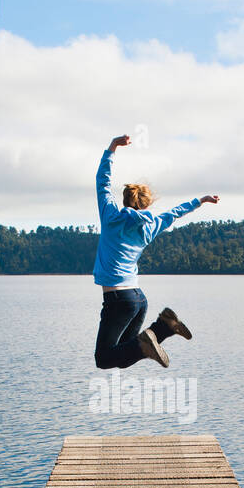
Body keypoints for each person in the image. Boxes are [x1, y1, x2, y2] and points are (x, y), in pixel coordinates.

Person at [92, 134, 219, 368]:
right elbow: (173, 214)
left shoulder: (110, 215)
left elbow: (103, 181)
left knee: (104, 358)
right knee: (126, 353)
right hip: (138, 299)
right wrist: (199, 201)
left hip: (118, 299)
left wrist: (112, 147)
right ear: (147, 205)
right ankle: (164, 326)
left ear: (125, 200)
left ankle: (159, 331)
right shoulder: (150, 226)